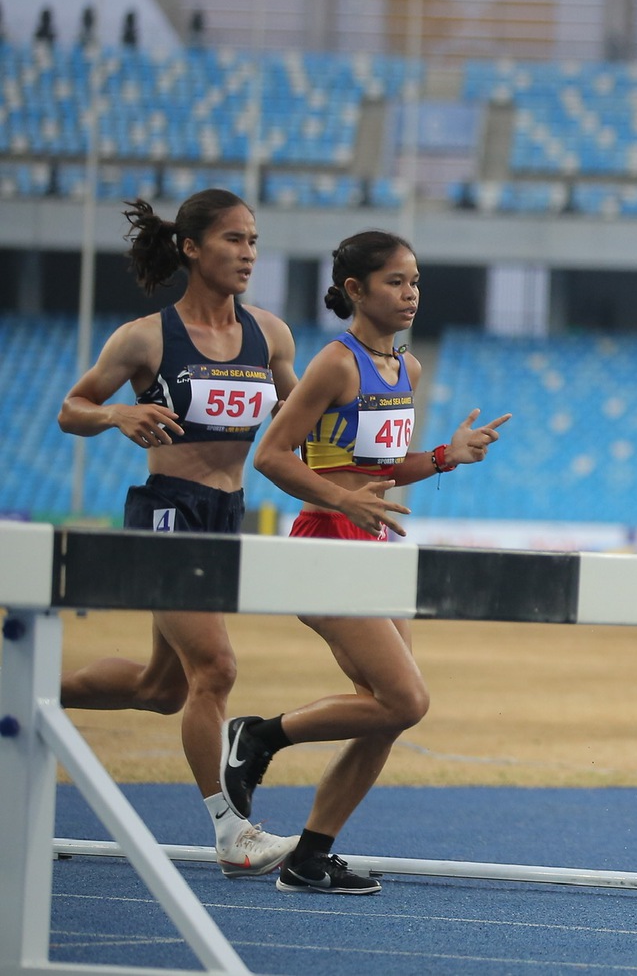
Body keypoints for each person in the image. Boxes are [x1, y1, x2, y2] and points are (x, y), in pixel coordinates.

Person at [239, 231, 509, 895]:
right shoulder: (335, 364)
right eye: (395, 281)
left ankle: (309, 856)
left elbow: (386, 472)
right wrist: (341, 498)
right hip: (326, 541)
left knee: (390, 713)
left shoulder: (406, 370)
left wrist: (447, 456)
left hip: (375, 547)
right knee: (405, 698)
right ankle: (258, 738)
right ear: (356, 290)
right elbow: (273, 455)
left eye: (415, 280)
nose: (410, 292)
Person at [56, 189, 301, 878]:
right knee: (216, 669)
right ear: (191, 249)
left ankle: (26, 689)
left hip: (227, 518)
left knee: (164, 689)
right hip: (168, 512)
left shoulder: (270, 335)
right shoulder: (146, 337)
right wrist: (118, 418)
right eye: (232, 239)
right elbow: (73, 408)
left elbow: (301, 415)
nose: (248, 252)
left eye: (253, 240)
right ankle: (232, 831)